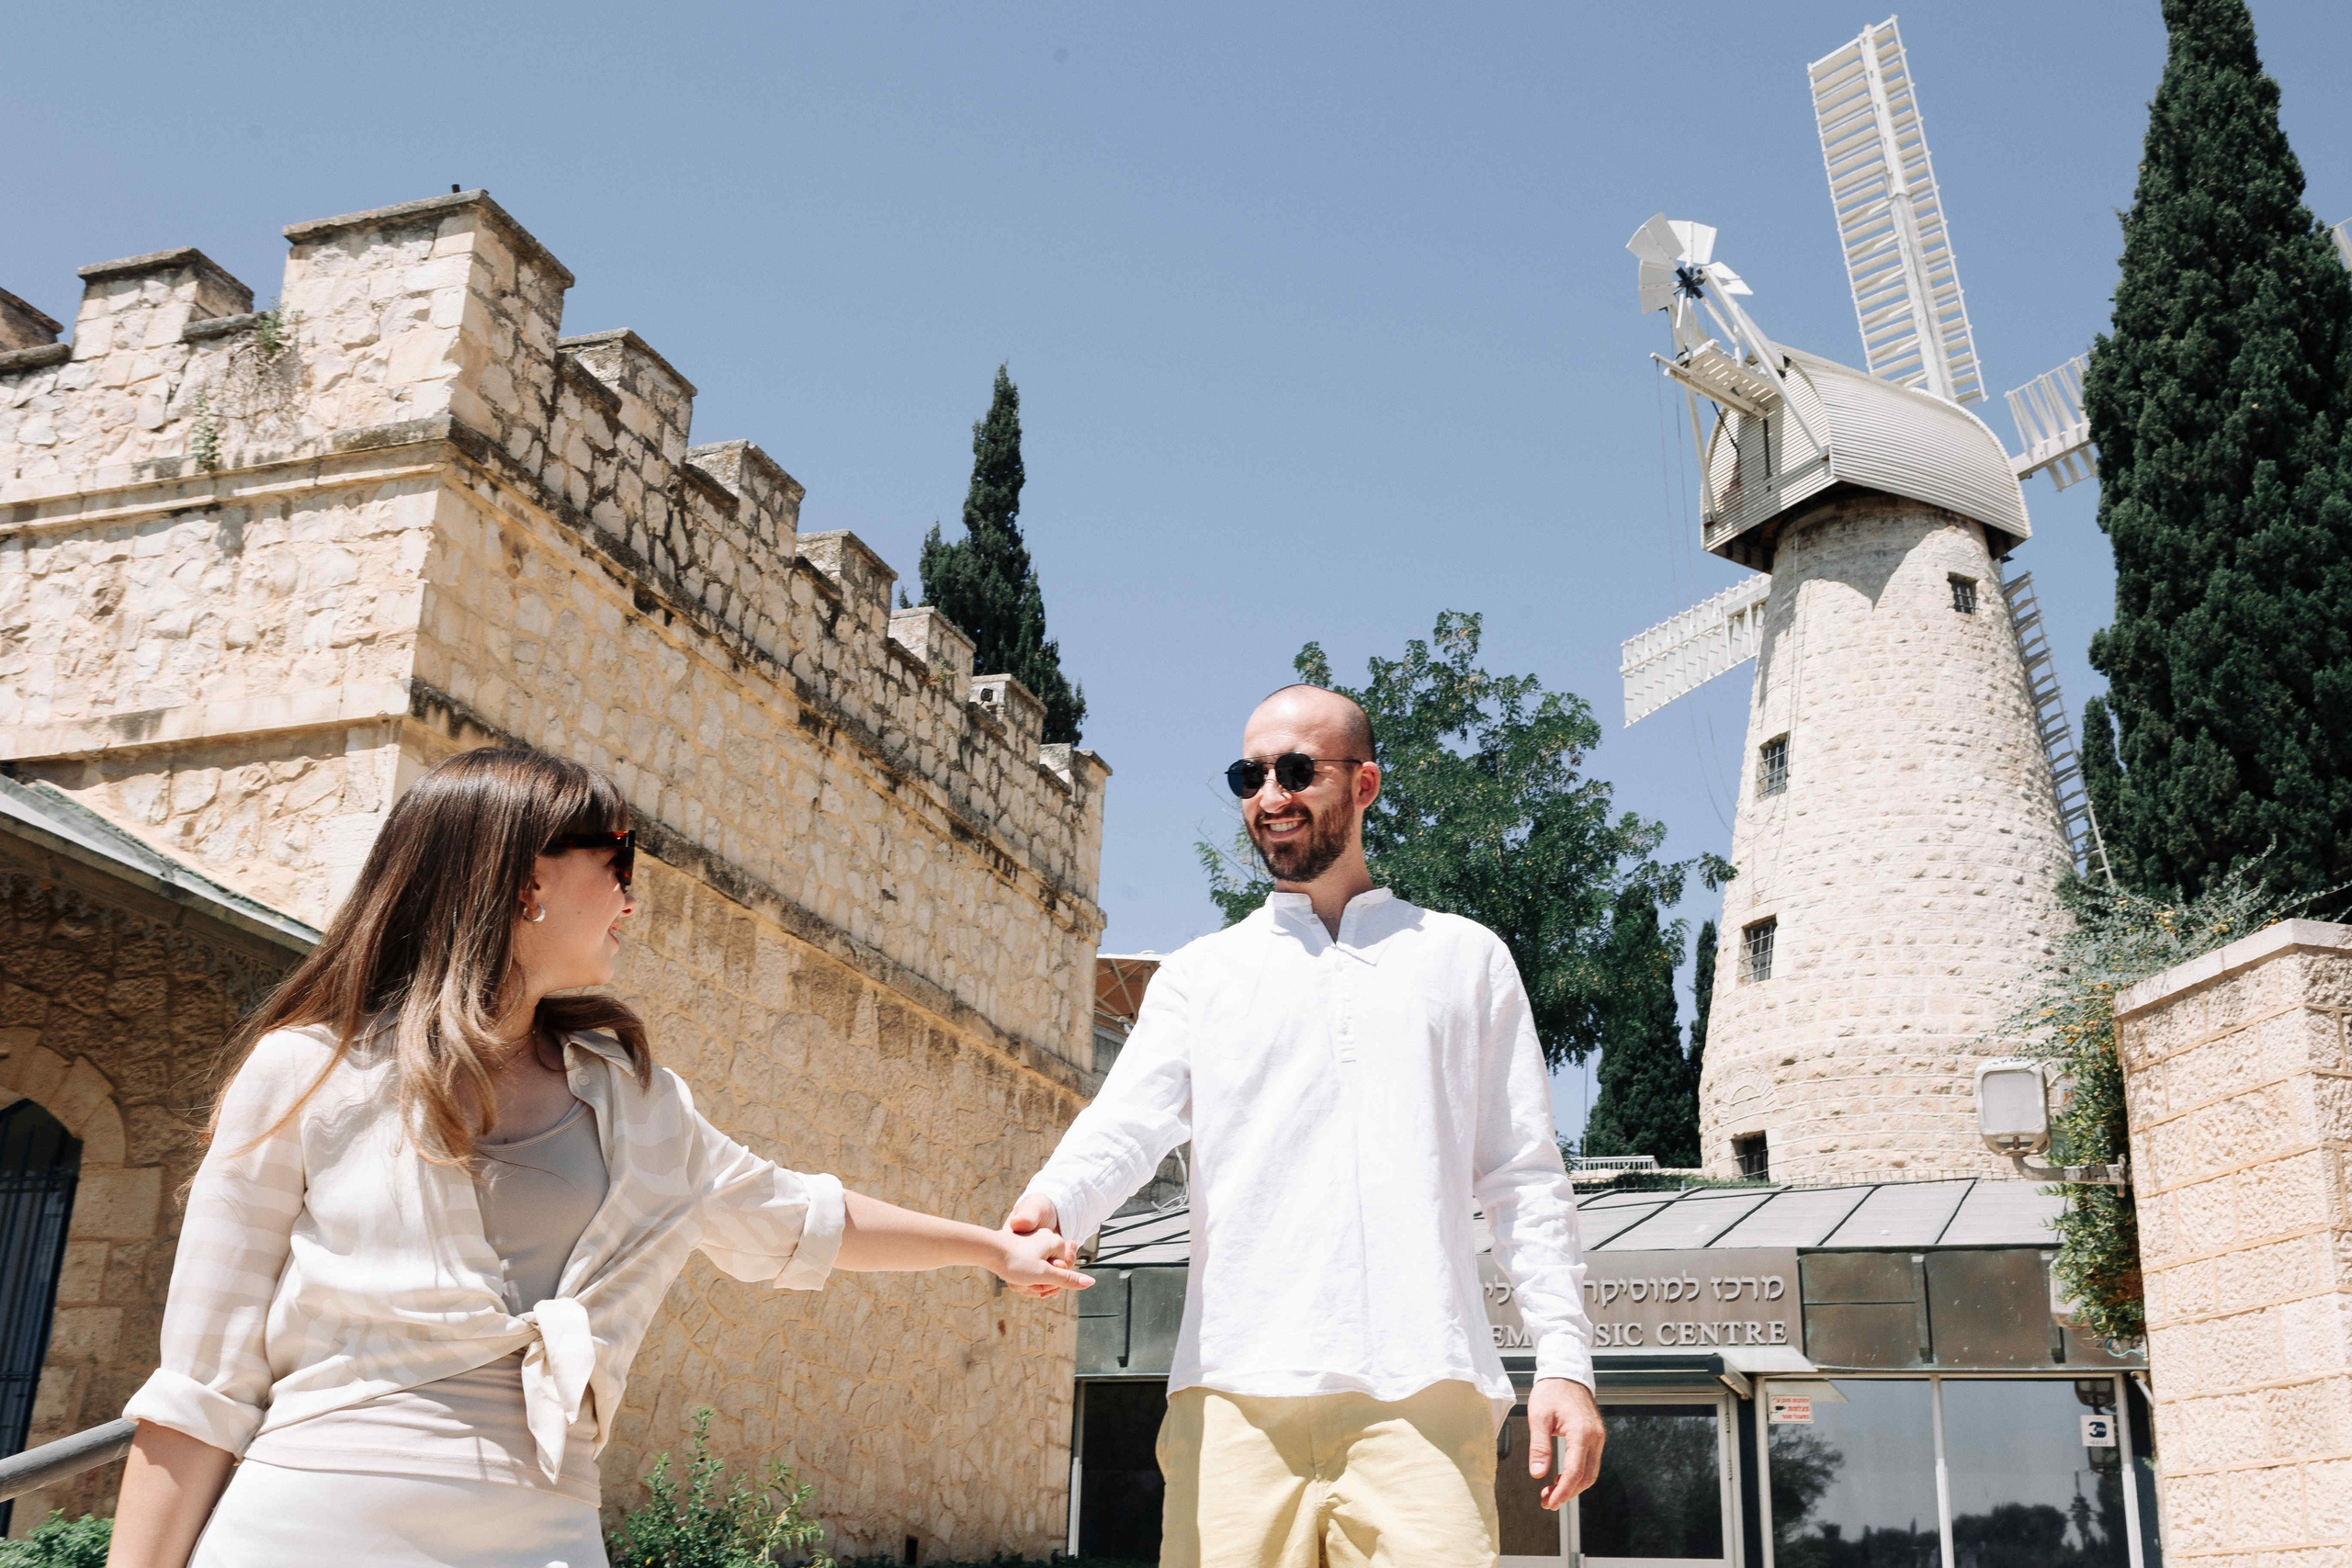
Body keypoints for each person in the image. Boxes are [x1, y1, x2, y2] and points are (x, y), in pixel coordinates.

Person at [104, 748, 1091, 1568]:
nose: (633, 897)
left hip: (546, 1532)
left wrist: (986, 1250)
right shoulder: (305, 1073)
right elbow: (201, 1385)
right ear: (526, 880)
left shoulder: (638, 1103)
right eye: (619, 860)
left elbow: (794, 1219)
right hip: (312, 1526)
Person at [1008, 684, 1604, 1568]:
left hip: (1425, 1397)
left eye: (1296, 770)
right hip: (1233, 1404)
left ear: (1365, 784)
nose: (1269, 796)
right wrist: (1052, 1206)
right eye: (1249, 775)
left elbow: (1521, 1177)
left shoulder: (1465, 958)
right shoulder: (1198, 976)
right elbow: (1125, 1126)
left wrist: (1565, 1358)